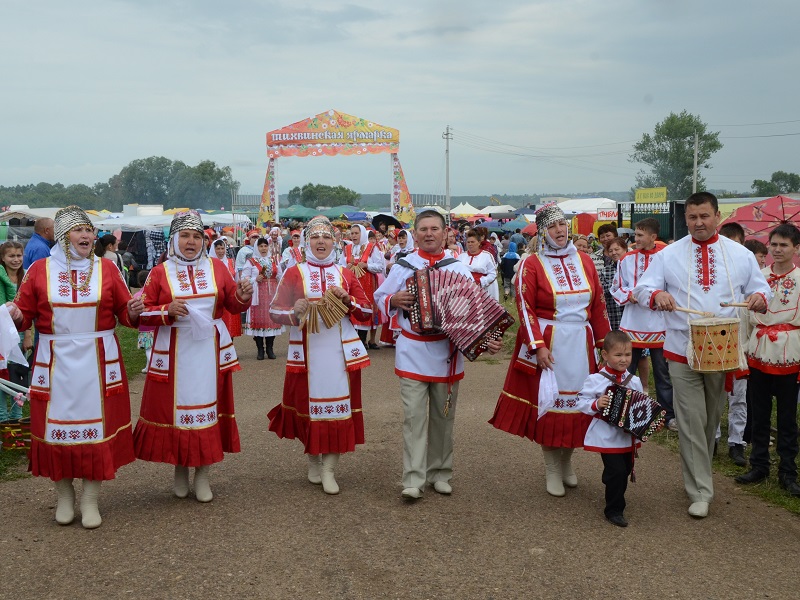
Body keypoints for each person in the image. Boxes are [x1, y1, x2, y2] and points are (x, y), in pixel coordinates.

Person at [633, 192, 770, 519]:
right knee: (692, 420)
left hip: (722, 350)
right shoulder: (668, 255)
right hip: (681, 349)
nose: (698, 223)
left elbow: (760, 289)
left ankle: (696, 476)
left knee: (709, 421)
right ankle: (700, 489)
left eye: (704, 216)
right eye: (692, 218)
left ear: (717, 216)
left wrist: (759, 299)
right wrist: (657, 294)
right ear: (685, 220)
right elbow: (642, 289)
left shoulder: (740, 254)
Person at [8, 206, 144, 529]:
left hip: (98, 361)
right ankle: (65, 494)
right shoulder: (39, 270)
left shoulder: (108, 270)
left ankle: (90, 498)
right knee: (56, 429)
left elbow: (125, 315)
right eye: (78, 230)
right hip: (55, 363)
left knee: (96, 429)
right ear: (62, 235)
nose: (86, 236)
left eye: (89, 230)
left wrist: (135, 310)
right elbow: (24, 313)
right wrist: (15, 316)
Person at [374, 210, 502, 499]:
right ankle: (413, 479)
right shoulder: (402, 266)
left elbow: (474, 311)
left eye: (434, 228)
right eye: (423, 229)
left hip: (447, 352)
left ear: (445, 233)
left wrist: (488, 339)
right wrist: (393, 300)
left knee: (444, 418)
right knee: (414, 418)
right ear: (415, 234)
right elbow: (379, 297)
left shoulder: (458, 268)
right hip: (412, 350)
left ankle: (441, 473)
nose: (429, 233)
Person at [489, 203, 610, 497]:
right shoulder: (532, 264)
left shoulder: (585, 261)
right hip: (550, 342)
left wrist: (604, 346)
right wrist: (538, 346)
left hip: (581, 342)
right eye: (553, 226)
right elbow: (525, 308)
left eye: (563, 225)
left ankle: (567, 462)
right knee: (551, 404)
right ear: (543, 232)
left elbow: (598, 306)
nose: (560, 230)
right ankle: (552, 468)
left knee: (580, 406)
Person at [133, 210, 253, 504]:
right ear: (174, 240)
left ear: (204, 240)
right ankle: (179, 468)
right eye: (185, 236)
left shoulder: (217, 268)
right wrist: (165, 311)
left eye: (197, 236)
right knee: (176, 410)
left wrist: (243, 295)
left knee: (207, 409)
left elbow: (231, 305)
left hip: (208, 352)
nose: (191, 242)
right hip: (174, 350)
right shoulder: (160, 272)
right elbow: (141, 315)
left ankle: (202, 473)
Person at [267, 216, 371, 495]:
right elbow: (274, 311)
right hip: (306, 355)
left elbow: (370, 312)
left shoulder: (346, 273)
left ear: (334, 242)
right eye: (315, 237)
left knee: (338, 408)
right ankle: (313, 458)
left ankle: (329, 469)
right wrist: (294, 311)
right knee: (306, 408)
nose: (321, 242)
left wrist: (350, 302)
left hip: (339, 354)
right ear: (306, 242)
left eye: (326, 237)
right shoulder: (293, 272)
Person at [735, 224, 800, 497]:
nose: (777, 249)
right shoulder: (758, 279)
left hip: (790, 354)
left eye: (784, 245)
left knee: (787, 418)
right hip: (759, 353)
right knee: (758, 414)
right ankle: (759, 464)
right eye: (774, 244)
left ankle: (787, 470)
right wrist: (741, 356)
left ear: (796, 249)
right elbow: (744, 322)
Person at [610, 218, 676, 430]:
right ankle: (622, 409)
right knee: (626, 367)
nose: (635, 239)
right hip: (632, 320)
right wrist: (629, 295)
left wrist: (659, 298)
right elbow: (616, 287)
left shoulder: (666, 258)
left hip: (659, 322)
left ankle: (668, 415)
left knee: (662, 372)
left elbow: (672, 287)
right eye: (635, 235)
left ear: (653, 237)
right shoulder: (626, 259)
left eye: (640, 235)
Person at [576, 331, 644, 527]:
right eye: (618, 355)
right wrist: (597, 404)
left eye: (628, 355)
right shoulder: (596, 380)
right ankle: (613, 509)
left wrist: (649, 423)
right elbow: (581, 402)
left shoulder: (634, 381)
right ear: (605, 355)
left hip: (626, 436)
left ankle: (615, 489)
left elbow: (642, 406)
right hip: (606, 436)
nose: (624, 360)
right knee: (616, 471)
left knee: (625, 469)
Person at [0, 241, 33, 423]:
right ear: (3, 258)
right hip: (1, 335)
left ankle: (17, 420)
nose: (15, 259)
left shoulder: (27, 277)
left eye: (19, 255)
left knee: (17, 375)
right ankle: (4, 421)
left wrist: (27, 334)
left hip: (20, 333)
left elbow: (29, 309)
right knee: (2, 377)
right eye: (11, 256)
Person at [241, 237, 284, 360]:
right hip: (258, 294)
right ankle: (260, 349)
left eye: (265, 246)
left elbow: (280, 276)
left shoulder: (274, 260)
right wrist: (254, 279)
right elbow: (244, 278)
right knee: (259, 321)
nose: (264, 248)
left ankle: (270, 349)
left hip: (272, 294)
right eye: (261, 246)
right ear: (257, 248)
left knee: (271, 320)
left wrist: (281, 291)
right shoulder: (251, 262)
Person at [345, 224, 385, 349]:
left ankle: (362, 341)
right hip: (351, 283)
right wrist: (345, 268)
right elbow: (340, 264)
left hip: (367, 283)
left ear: (362, 234)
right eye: (352, 233)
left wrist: (367, 266)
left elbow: (380, 266)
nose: (354, 236)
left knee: (364, 307)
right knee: (352, 306)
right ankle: (353, 340)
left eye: (356, 233)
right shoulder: (348, 248)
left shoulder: (371, 247)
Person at [212, 239, 243, 339]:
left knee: (230, 326)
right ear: (213, 249)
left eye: (222, 248)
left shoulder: (231, 262)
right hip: (218, 298)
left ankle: (230, 351)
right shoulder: (209, 264)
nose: (221, 251)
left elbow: (236, 278)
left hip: (230, 296)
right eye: (218, 249)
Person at [458, 229, 499, 301]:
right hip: (465, 290)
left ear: (479, 242)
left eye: (472, 242)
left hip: (482, 290)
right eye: (468, 242)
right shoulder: (461, 256)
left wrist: (481, 281)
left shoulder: (487, 256)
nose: (470, 244)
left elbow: (493, 273)